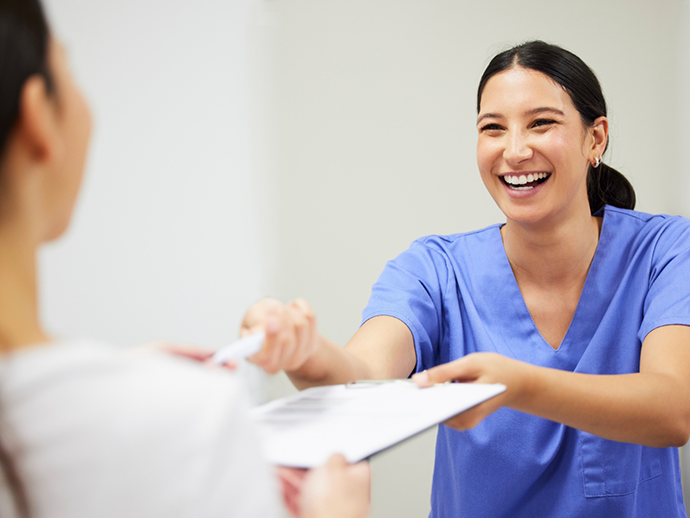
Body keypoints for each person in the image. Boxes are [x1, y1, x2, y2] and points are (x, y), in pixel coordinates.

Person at [241, 40, 690, 517]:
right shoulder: (435, 270)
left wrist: (518, 385)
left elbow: (673, 408)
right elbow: (363, 378)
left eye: (541, 123)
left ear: (594, 138)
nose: (515, 151)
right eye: (492, 128)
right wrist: (305, 351)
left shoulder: (665, 250)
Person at [0, 0, 370, 517]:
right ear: (39, 114)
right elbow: (377, 377)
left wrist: (121, 373)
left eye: (532, 123)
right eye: (69, 65)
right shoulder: (189, 421)